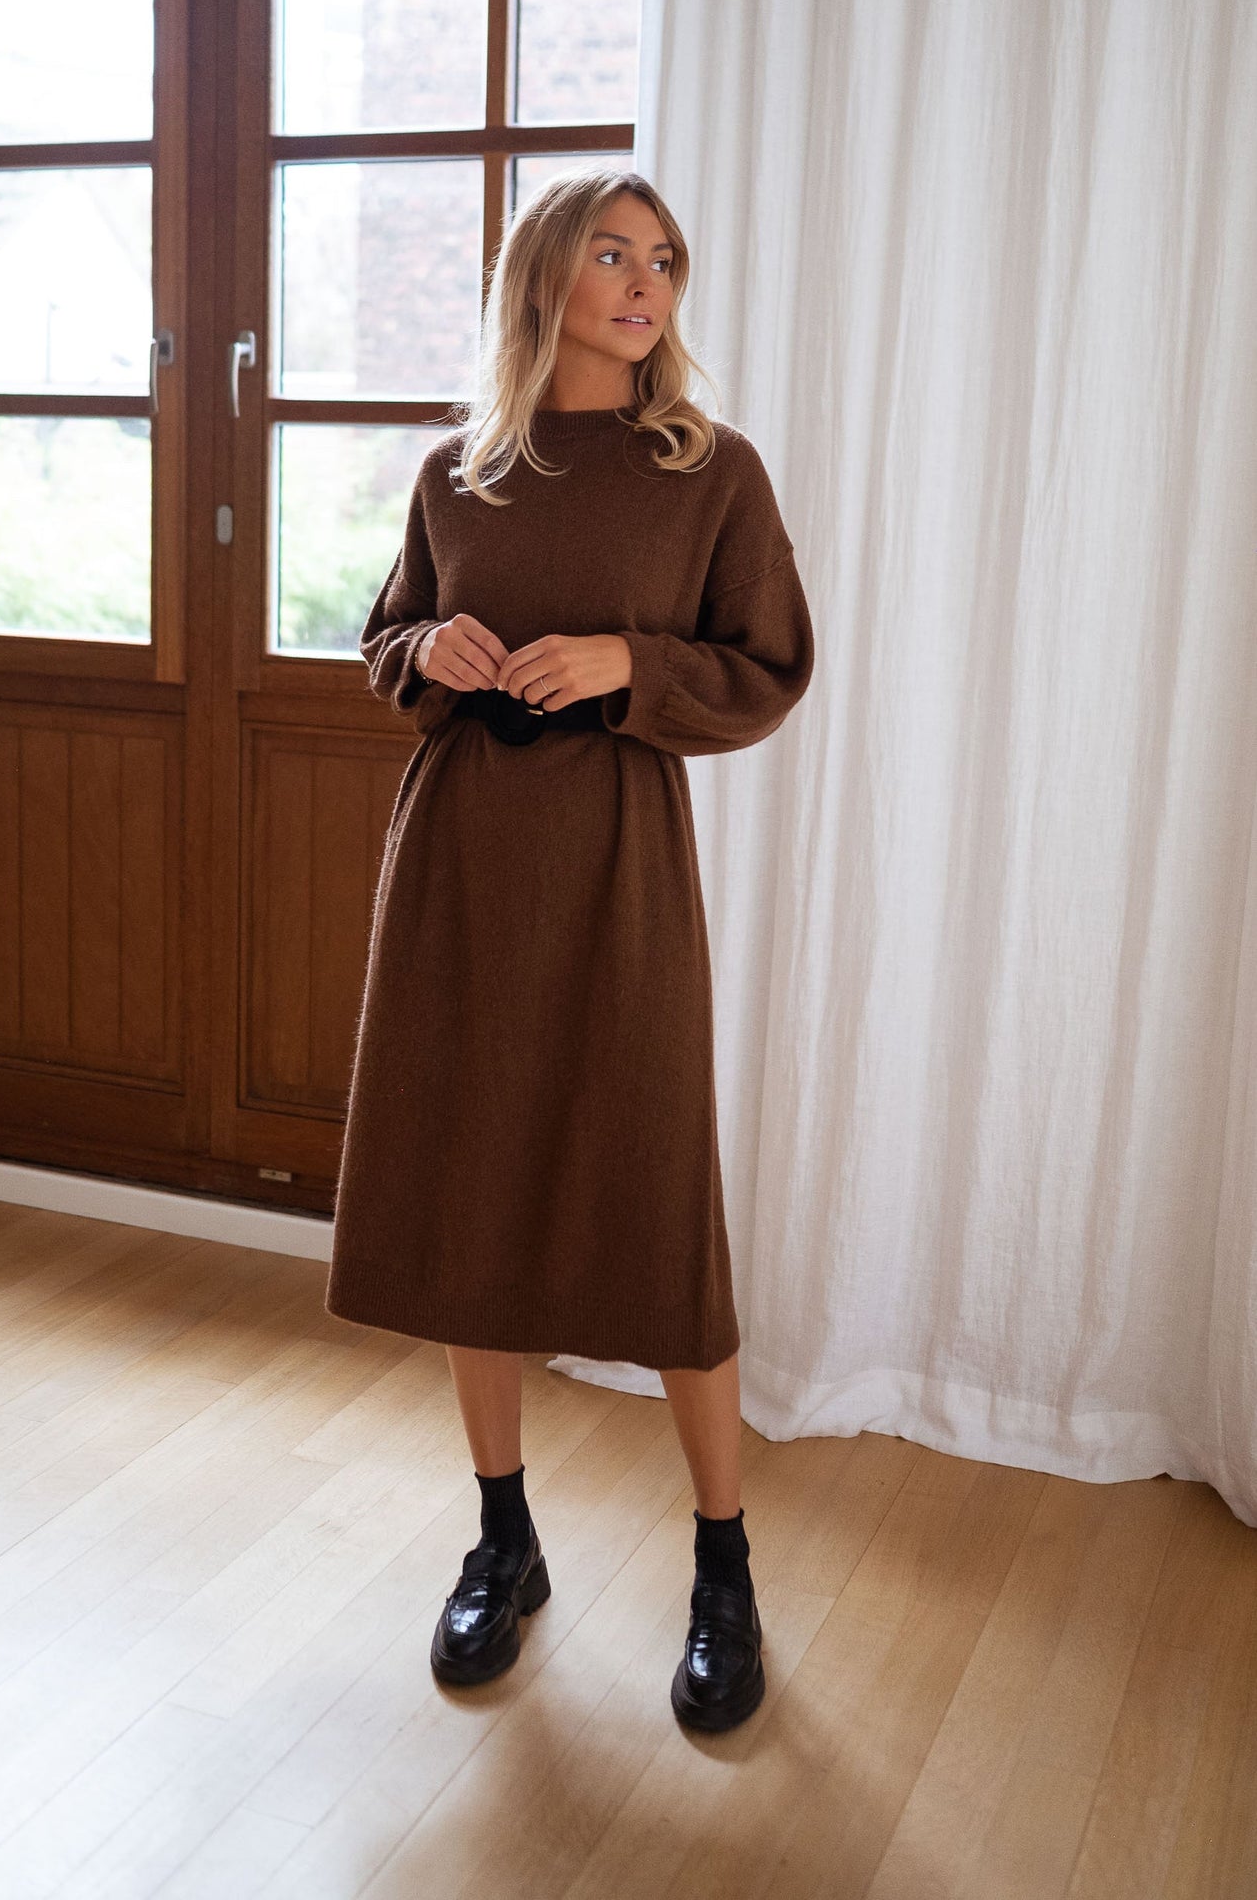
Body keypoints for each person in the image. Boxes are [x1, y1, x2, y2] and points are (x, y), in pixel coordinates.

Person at [324, 168, 815, 1734]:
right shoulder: (457, 472)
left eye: (662, 259)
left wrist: (628, 662)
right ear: (544, 279)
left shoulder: (708, 471)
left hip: (616, 861)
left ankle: (722, 1565)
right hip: (461, 860)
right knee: (470, 1183)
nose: (645, 281)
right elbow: (384, 638)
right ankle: (503, 1538)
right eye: (612, 254)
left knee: (656, 1202)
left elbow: (768, 665)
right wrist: (428, 645)